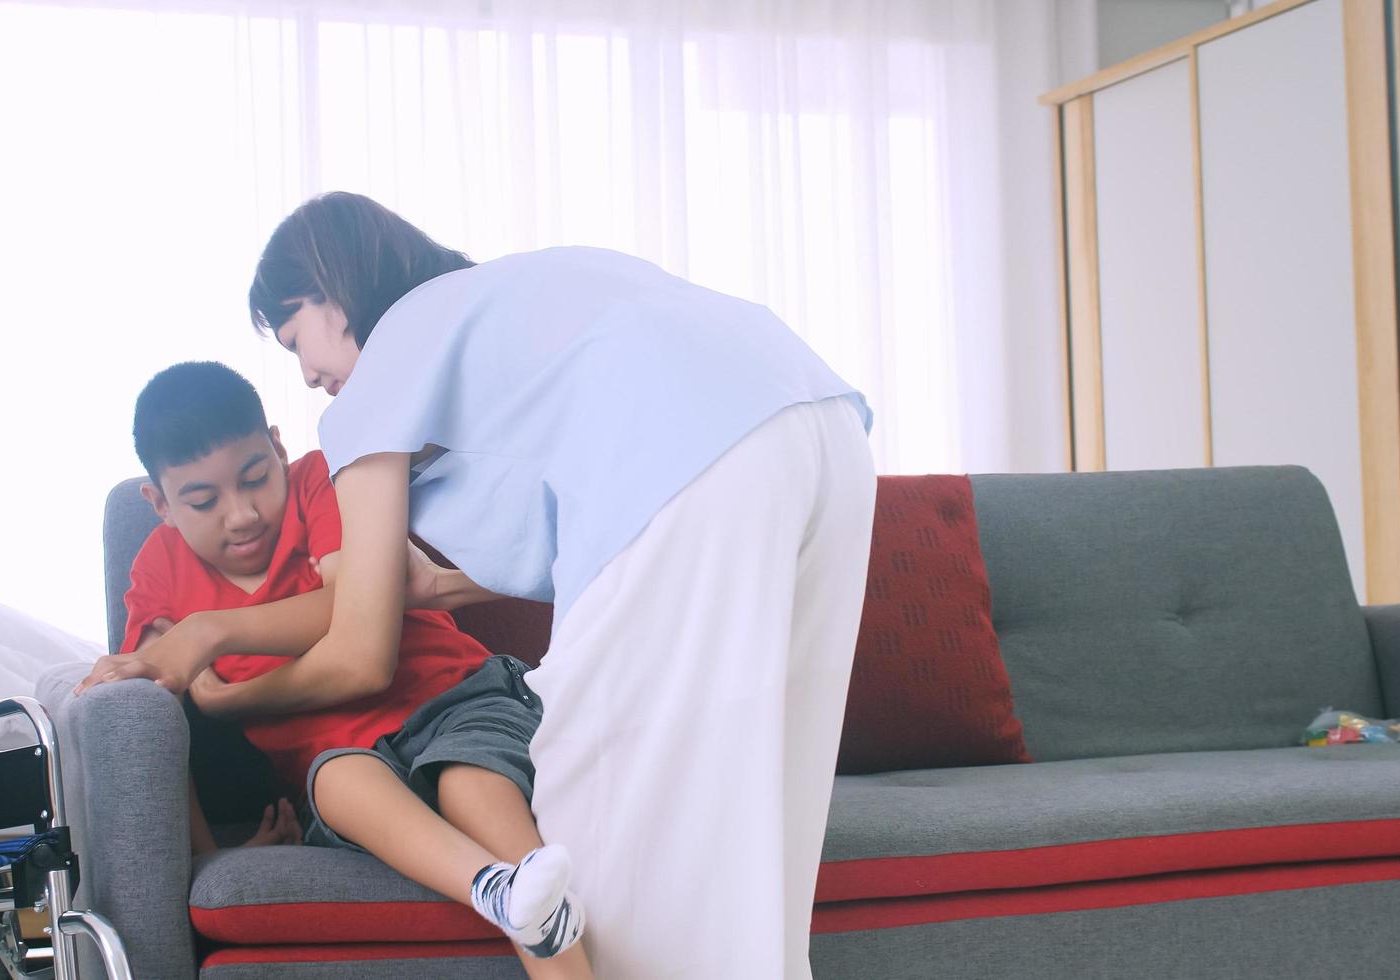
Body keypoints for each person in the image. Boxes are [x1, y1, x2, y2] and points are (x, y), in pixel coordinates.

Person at [91, 193, 876, 978]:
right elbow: (568, 525)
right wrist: (441, 586)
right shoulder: (497, 305)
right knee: (765, 808)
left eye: (298, 338)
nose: (306, 375)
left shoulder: (381, 378)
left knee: (608, 817)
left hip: (690, 469)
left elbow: (361, 655)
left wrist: (215, 656)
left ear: (330, 291)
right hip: (818, 426)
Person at [87, 361, 592, 974]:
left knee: (468, 779)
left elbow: (356, 600)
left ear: (277, 447)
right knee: (338, 779)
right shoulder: (160, 568)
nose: (241, 513)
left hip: (456, 698)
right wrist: (207, 850)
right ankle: (496, 887)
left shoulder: (317, 482)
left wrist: (210, 632)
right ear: (159, 503)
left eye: (254, 478)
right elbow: (151, 714)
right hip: (340, 760)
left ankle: (543, 929)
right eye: (203, 500)